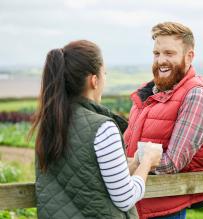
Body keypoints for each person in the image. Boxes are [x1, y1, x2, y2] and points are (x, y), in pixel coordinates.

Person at [30, 40, 162, 219]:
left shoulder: (50, 123)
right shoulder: (103, 128)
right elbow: (125, 198)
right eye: (104, 74)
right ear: (94, 80)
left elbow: (87, 176)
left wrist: (134, 162)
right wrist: (147, 161)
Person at [124, 22, 203, 219]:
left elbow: (172, 163)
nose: (161, 61)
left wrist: (124, 167)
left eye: (169, 53)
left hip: (164, 209)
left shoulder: (196, 95)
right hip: (135, 204)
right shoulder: (147, 93)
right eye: (156, 54)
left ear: (189, 56)